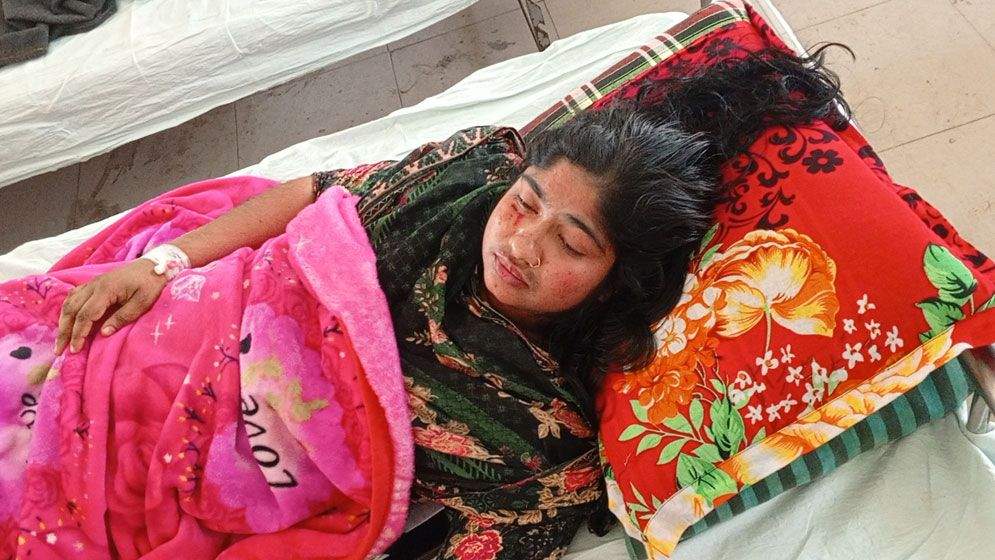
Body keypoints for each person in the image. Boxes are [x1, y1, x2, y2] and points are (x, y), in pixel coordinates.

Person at [49, 44, 851, 558]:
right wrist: (159, 263)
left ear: (615, 279)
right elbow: (316, 193)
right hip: (193, 321)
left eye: (571, 245)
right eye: (525, 203)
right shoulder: (466, 177)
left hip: (199, 466)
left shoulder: (535, 435)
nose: (522, 243)